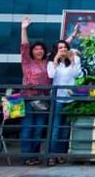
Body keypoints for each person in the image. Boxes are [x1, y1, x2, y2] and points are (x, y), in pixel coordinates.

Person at [19, 17, 51, 166]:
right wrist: (24, 28)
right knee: (28, 128)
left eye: (41, 49)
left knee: (39, 129)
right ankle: (27, 156)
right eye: (36, 49)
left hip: (43, 100)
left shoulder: (47, 63)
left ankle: (35, 155)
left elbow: (60, 50)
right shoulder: (27, 62)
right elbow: (24, 46)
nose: (39, 51)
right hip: (28, 99)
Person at [47, 38, 82, 165]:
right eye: (60, 48)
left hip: (70, 99)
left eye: (64, 47)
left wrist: (72, 61)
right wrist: (56, 59)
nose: (63, 50)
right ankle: (51, 155)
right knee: (55, 128)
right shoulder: (52, 62)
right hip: (57, 99)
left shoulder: (75, 59)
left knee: (65, 129)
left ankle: (60, 154)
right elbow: (51, 75)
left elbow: (76, 74)